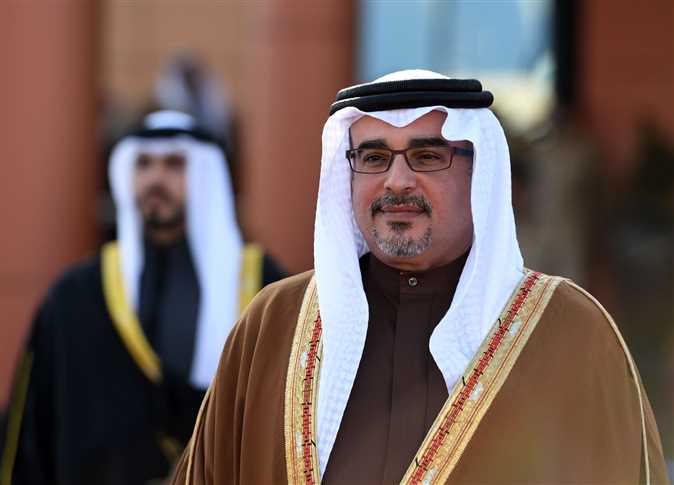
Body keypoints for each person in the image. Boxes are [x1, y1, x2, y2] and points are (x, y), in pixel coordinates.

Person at [170, 71, 669, 484]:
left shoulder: (570, 330)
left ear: (479, 175)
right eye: (373, 158)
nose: (397, 181)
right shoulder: (272, 324)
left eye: (427, 156)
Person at [0, 110, 285, 485]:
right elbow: (28, 434)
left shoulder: (263, 288)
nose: (155, 179)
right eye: (143, 164)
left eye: (174, 164)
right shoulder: (75, 297)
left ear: (207, 176)